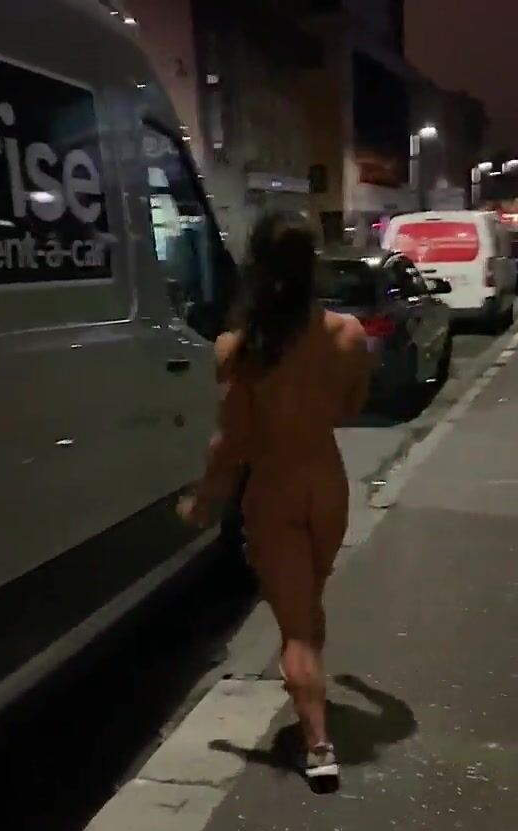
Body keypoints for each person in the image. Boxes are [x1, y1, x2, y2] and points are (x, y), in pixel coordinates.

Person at [178, 212, 370, 783]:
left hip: (274, 491)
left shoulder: (239, 349)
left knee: (296, 629)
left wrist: (203, 501)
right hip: (327, 485)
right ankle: (313, 693)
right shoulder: (348, 335)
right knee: (309, 606)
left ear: (256, 268)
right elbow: (351, 408)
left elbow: (231, 444)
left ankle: (318, 745)